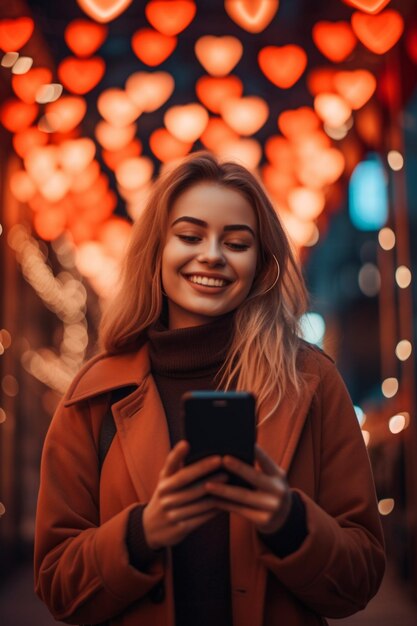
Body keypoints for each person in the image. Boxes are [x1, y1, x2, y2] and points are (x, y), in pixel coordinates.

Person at [34, 151, 385, 626]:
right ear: (157, 249)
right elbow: (57, 584)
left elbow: (360, 576)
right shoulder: (96, 394)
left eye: (236, 242)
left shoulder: (312, 382)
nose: (212, 255)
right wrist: (142, 531)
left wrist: (290, 521)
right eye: (190, 236)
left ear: (260, 262)